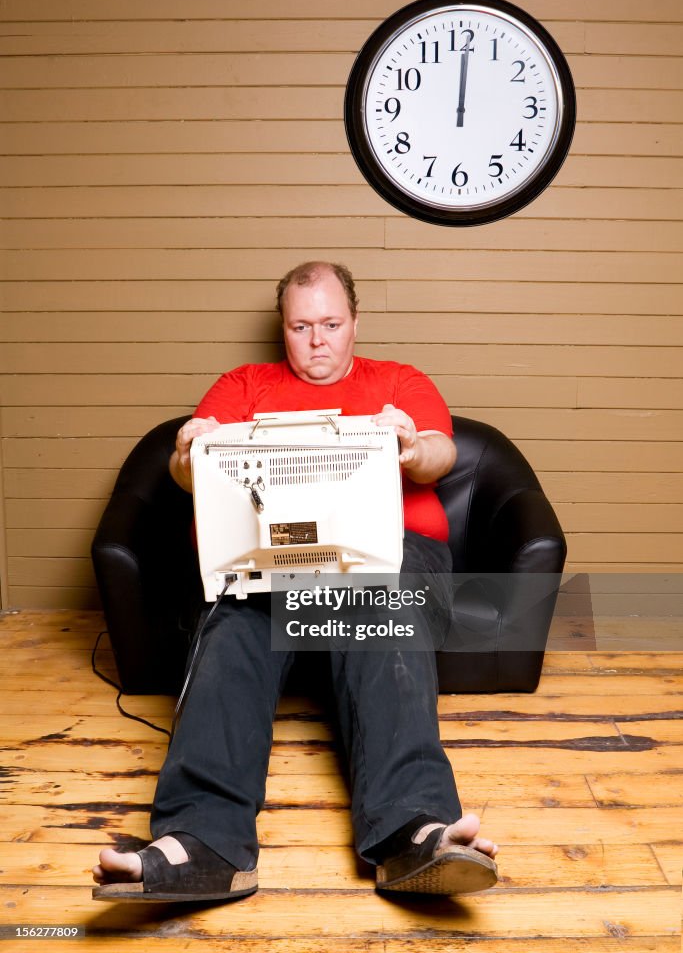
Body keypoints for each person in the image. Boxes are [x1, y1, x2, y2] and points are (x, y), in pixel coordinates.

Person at [92, 261, 498, 902]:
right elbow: (188, 475)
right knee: (233, 625)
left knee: (380, 608)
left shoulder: (397, 381)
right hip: (274, 559)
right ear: (283, 329)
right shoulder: (244, 384)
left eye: (331, 324)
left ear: (354, 323)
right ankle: (203, 842)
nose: (317, 340)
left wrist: (410, 447)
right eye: (301, 326)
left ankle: (413, 833)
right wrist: (187, 451)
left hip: (390, 556)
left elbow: (439, 454)